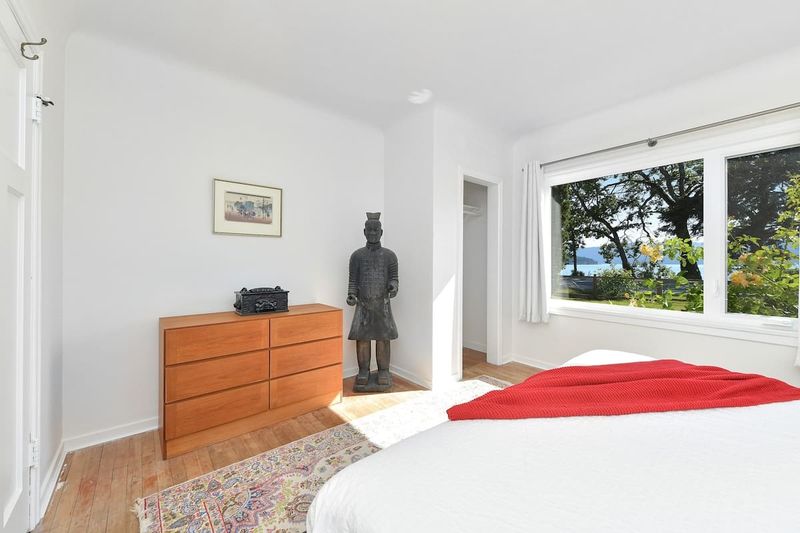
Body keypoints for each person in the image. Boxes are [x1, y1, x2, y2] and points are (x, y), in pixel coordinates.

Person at [346, 212, 399, 389]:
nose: (373, 233)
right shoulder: (357, 256)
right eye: (370, 230)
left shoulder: (390, 256)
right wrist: (352, 295)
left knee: (383, 338)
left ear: (381, 232)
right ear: (364, 232)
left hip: (382, 304)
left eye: (376, 230)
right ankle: (364, 371)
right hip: (363, 304)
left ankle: (383, 371)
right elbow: (353, 280)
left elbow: (394, 278)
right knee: (362, 339)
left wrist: (393, 287)